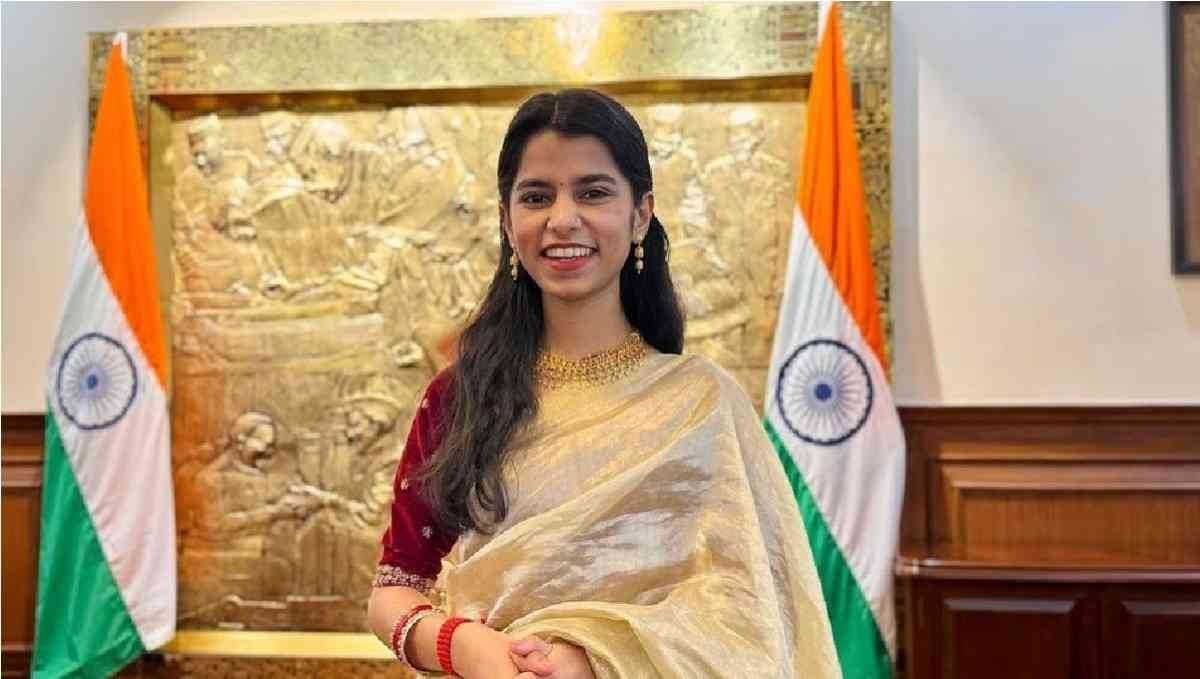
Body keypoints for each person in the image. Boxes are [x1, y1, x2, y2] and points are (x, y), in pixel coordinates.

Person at [366, 89, 840, 679]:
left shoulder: (702, 403)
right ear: (507, 220)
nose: (562, 219)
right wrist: (465, 646)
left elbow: (753, 611)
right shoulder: (460, 397)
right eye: (536, 196)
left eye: (593, 192)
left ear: (640, 214)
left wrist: (595, 658)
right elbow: (396, 587)